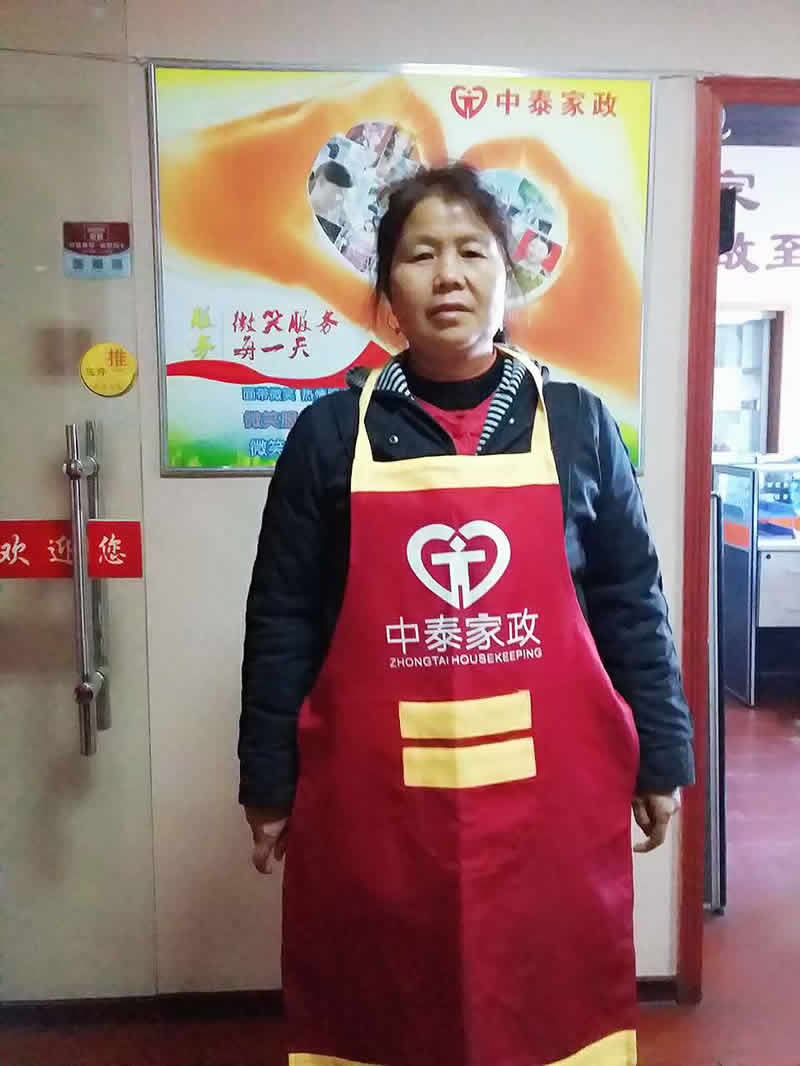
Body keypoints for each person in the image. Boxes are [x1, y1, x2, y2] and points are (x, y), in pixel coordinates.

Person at [239, 163, 694, 1066]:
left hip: (550, 796)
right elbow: (282, 618)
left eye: (471, 251)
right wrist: (269, 781)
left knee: (544, 997)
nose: (447, 275)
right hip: (380, 800)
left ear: (506, 275)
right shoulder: (330, 436)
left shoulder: (578, 425)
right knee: (388, 998)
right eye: (420, 255)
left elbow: (631, 603)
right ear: (387, 290)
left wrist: (661, 756)